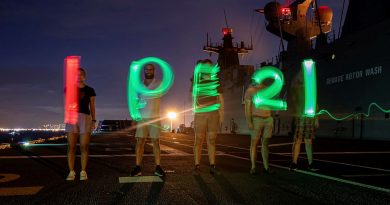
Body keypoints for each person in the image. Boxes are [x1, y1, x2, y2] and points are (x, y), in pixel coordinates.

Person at [130, 64, 165, 177]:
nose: (148, 71)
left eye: (150, 69)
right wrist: (134, 117)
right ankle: (137, 167)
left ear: (154, 70)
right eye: (146, 69)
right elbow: (135, 100)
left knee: (156, 142)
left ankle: (158, 167)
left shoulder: (159, 83)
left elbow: (159, 93)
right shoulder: (139, 85)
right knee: (140, 142)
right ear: (144, 71)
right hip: (142, 117)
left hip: (154, 116)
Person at [192, 59, 224, 175]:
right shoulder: (197, 82)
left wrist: (221, 114)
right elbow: (194, 98)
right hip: (200, 114)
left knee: (212, 140)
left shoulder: (216, 82)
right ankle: (196, 165)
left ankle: (212, 165)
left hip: (213, 114)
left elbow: (221, 99)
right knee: (198, 139)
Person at [66, 68, 96, 181]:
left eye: (81, 74)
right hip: (72, 117)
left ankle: (83, 171)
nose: (79, 76)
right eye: (77, 75)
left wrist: (94, 120)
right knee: (71, 147)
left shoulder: (90, 90)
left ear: (85, 76)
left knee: (84, 146)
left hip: (85, 117)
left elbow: (92, 106)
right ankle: (71, 172)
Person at [289, 71, 319, 171]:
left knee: (308, 141)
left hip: (309, 117)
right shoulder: (297, 87)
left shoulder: (310, 88)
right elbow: (293, 98)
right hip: (300, 117)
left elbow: (315, 103)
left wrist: (316, 118)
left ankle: (311, 164)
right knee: (298, 140)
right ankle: (293, 163)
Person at [244, 79, 274, 175]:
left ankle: (266, 167)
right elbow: (247, 108)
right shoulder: (250, 90)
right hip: (256, 119)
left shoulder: (267, 89)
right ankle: (253, 167)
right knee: (254, 143)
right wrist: (249, 121)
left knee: (265, 143)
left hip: (268, 118)